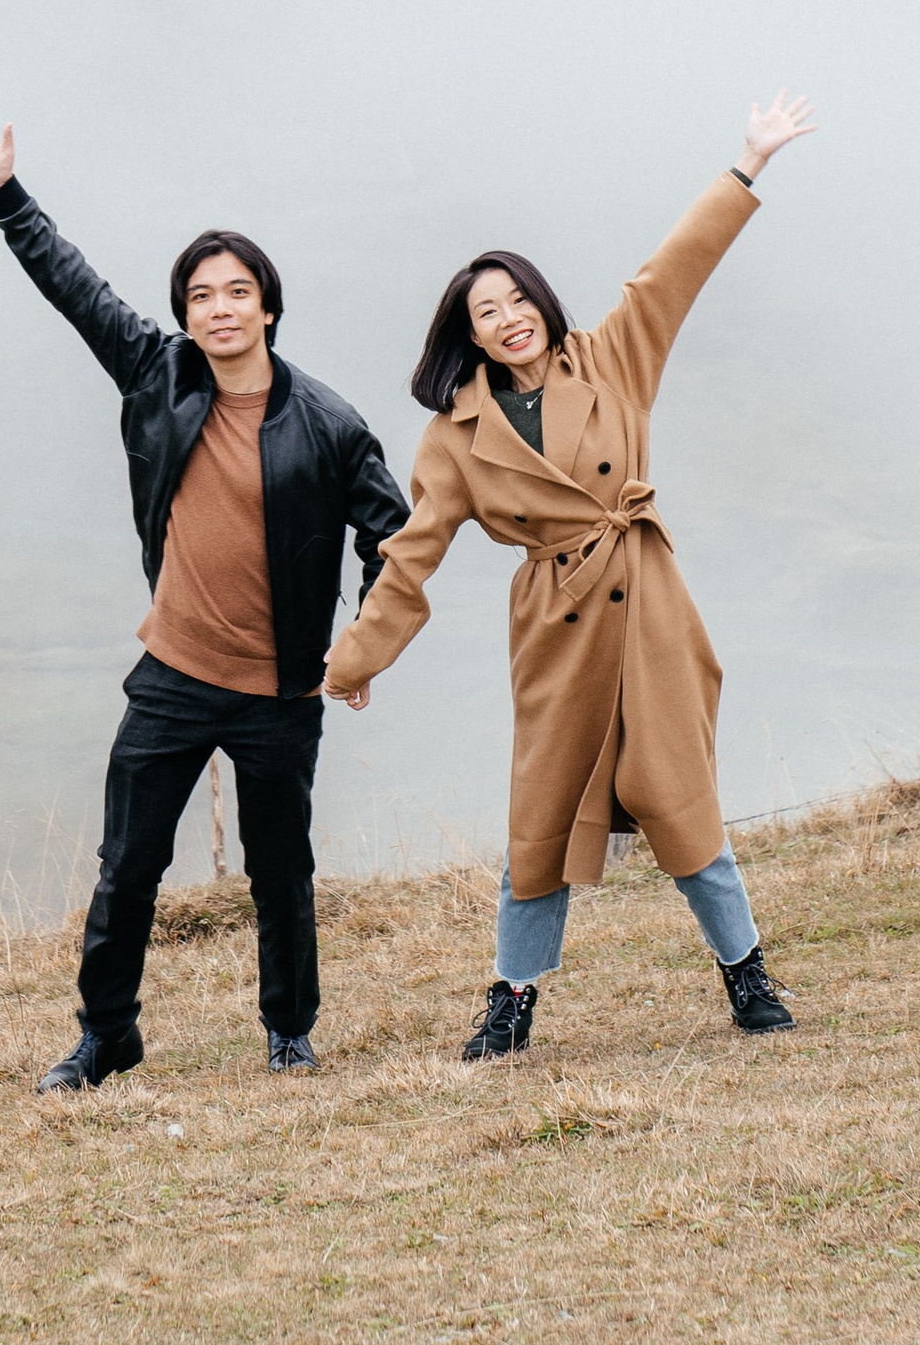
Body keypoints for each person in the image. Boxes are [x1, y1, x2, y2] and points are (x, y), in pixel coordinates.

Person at [322, 90, 817, 1060]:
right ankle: (512, 1001)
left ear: (542, 304)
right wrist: (355, 659)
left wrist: (748, 161)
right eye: (485, 312)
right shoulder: (454, 436)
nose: (507, 320)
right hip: (554, 623)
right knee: (539, 813)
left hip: (647, 602)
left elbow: (676, 267)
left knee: (682, 797)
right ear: (466, 334)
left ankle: (745, 973)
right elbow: (411, 554)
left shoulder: (612, 354)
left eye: (516, 301)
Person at [0, 100, 409, 1093]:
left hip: (278, 691)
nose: (220, 308)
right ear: (186, 314)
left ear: (269, 308)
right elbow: (73, 287)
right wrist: (4, 193)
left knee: (279, 872)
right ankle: (105, 1035)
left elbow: (394, 538)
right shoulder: (157, 376)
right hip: (171, 674)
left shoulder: (328, 423)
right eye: (201, 295)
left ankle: (289, 1030)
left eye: (238, 291)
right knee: (128, 865)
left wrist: (363, 646)